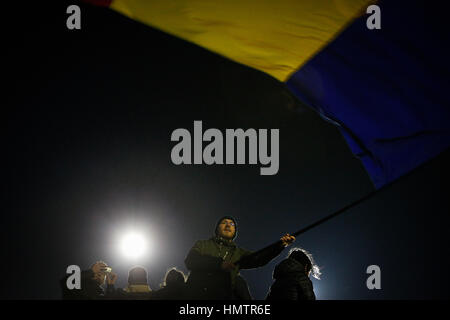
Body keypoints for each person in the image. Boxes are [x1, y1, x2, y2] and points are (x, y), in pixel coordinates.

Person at [184, 216, 295, 300]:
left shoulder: (238, 252)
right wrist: (219, 264)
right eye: (224, 223)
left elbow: (259, 259)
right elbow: (191, 261)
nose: (228, 225)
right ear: (217, 228)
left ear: (235, 232)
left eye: (232, 224)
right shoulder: (202, 244)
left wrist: (280, 245)